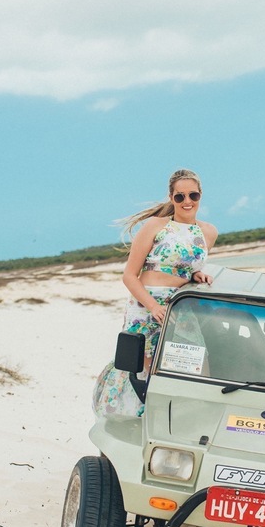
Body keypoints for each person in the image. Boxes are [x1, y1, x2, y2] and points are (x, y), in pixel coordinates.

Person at [92, 169, 218, 416]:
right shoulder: (156, 226)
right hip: (146, 306)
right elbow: (130, 276)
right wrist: (152, 306)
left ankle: (182, 417)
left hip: (179, 307)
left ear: (200, 195)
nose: (187, 202)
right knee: (145, 371)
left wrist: (195, 276)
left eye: (192, 195)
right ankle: (140, 420)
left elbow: (184, 266)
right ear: (171, 198)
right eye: (180, 197)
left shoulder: (209, 232)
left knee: (194, 364)